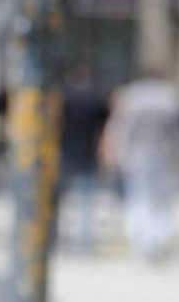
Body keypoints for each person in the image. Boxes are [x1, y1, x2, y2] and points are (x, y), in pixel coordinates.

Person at [101, 69, 179, 261]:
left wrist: (114, 154)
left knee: (139, 198)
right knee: (161, 201)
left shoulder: (132, 96)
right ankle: (156, 241)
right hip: (163, 157)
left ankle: (142, 242)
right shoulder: (171, 98)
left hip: (136, 157)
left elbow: (119, 129)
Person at [57, 63, 108, 252]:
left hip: (66, 151)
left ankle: (56, 239)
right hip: (87, 152)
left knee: (59, 200)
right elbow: (103, 127)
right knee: (86, 201)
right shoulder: (95, 99)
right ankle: (85, 243)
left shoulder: (64, 97)